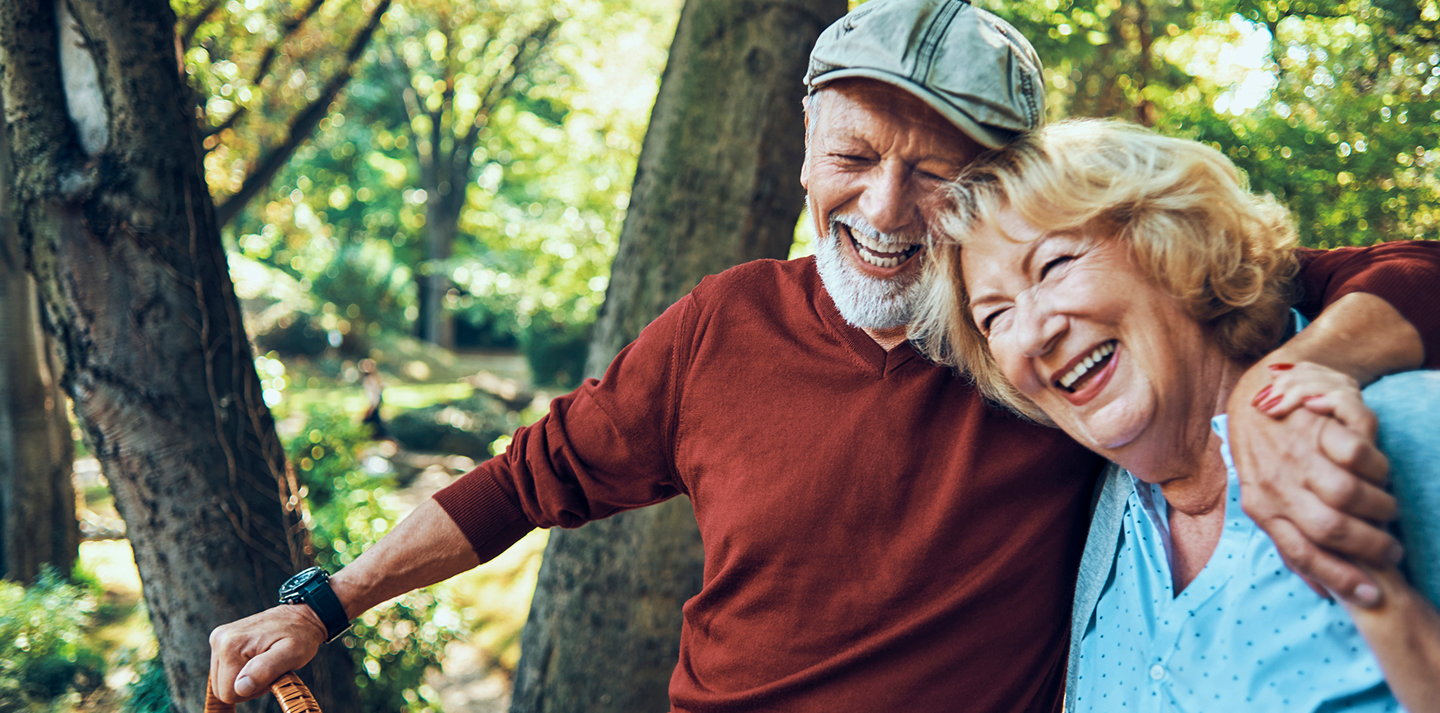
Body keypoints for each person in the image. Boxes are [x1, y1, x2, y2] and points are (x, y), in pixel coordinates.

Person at [211, 2, 1440, 710]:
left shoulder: (1073, 344)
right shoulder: (722, 324)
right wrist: (325, 602)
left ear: (1003, 189)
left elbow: (1368, 276)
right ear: (805, 151)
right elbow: (529, 476)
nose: (887, 206)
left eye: (937, 170)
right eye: (853, 156)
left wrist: (1312, 370)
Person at [915, 117, 1440, 711]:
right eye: (995, 315)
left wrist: (1382, 601)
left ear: (1171, 242)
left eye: (1055, 264)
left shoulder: (1404, 431)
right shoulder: (1099, 521)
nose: (1032, 334)